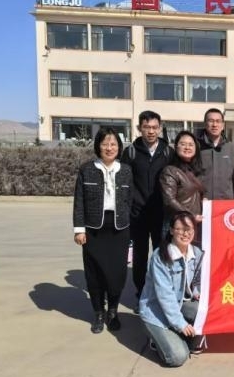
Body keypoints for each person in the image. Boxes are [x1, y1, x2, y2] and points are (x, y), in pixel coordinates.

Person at [73, 127, 133, 333]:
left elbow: (130, 200)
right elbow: (79, 201)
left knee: (117, 274)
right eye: (105, 144)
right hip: (93, 229)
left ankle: (113, 312)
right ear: (98, 146)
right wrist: (79, 229)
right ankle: (98, 313)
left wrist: (130, 229)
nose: (109, 148)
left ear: (119, 147)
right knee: (94, 274)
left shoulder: (125, 170)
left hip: (119, 228)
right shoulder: (87, 169)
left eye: (113, 144)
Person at [121, 110, 176, 309]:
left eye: (154, 127)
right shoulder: (131, 152)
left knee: (162, 255)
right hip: (138, 215)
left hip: (161, 214)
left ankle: (161, 295)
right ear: (139, 128)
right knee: (140, 257)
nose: (151, 131)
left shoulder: (168, 152)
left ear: (160, 128)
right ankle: (141, 294)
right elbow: (124, 183)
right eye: (146, 127)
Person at [139, 211, 206, 367]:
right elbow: (165, 296)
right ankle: (156, 338)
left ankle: (175, 336)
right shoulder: (160, 257)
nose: (185, 234)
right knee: (178, 357)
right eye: (180, 229)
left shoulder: (196, 253)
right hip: (156, 312)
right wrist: (180, 324)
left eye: (189, 229)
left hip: (180, 304)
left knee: (203, 311)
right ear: (171, 230)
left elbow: (198, 281)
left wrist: (198, 294)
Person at [159, 131, 205, 247]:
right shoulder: (170, 170)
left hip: (194, 224)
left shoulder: (195, 170)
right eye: (183, 144)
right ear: (176, 147)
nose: (187, 147)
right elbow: (169, 200)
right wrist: (190, 215)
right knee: (174, 256)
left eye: (191, 144)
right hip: (178, 224)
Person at [198, 108, 234, 200]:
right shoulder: (196, 147)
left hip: (226, 203)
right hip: (203, 202)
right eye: (211, 121)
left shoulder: (231, 148)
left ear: (222, 125)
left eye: (218, 121)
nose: (214, 125)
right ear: (205, 124)